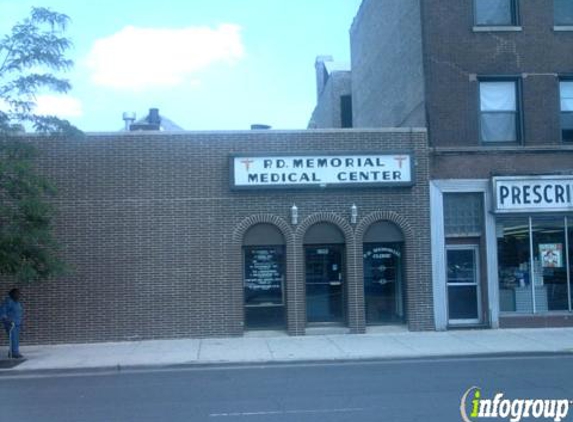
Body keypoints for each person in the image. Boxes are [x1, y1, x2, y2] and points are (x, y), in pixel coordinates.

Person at [0, 288, 24, 359]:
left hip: (17, 323)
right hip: (11, 324)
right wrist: (7, 320)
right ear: (12, 294)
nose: (19, 295)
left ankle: (12, 352)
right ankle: (14, 353)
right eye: (17, 293)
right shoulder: (8, 301)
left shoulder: (17, 302)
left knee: (15, 338)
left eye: (19, 294)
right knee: (13, 338)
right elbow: (3, 312)